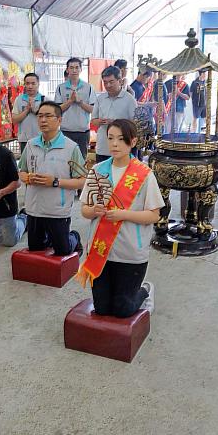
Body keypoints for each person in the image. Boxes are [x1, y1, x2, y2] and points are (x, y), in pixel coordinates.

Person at [78, 119, 163, 316]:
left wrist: (124, 214)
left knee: (122, 309)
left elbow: (154, 215)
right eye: (110, 138)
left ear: (132, 142)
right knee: (102, 309)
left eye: (121, 139)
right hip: (100, 251)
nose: (115, 144)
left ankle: (144, 291)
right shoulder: (98, 171)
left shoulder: (144, 174)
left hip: (131, 253)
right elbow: (84, 210)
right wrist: (94, 211)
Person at [18, 101, 86, 255]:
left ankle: (74, 237)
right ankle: (49, 239)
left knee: (63, 251)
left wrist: (55, 182)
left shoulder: (71, 148)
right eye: (40, 116)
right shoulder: (30, 145)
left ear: (59, 120)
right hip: (34, 209)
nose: (43, 120)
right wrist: (27, 178)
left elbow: (82, 180)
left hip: (57, 210)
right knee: (36, 251)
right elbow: (21, 171)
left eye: (48, 116)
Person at [91, 66, 137, 163]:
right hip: (103, 146)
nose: (108, 85)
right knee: (102, 176)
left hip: (121, 148)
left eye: (111, 82)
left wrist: (116, 123)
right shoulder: (100, 98)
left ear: (119, 81)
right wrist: (99, 121)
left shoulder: (129, 99)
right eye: (105, 82)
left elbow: (135, 124)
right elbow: (93, 121)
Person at [54, 57, 96, 161]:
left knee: (81, 162)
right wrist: (70, 101)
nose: (74, 70)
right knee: (65, 161)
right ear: (67, 70)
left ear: (81, 70)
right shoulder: (61, 87)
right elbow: (57, 110)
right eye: (71, 67)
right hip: (65, 131)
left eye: (77, 67)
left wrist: (80, 102)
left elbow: (93, 109)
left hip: (83, 132)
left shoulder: (88, 87)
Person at [12, 72, 43, 154]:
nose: (30, 86)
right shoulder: (19, 99)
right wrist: (27, 110)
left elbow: (49, 119)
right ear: (24, 84)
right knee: (26, 165)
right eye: (27, 83)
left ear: (38, 84)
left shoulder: (44, 99)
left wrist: (34, 110)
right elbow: (14, 120)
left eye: (33, 83)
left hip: (41, 139)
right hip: (24, 140)